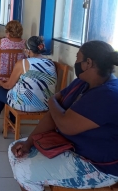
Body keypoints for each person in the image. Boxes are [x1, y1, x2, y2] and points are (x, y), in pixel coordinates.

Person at [9, 40, 118, 191]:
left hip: (97, 165)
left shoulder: (108, 94)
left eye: (77, 58)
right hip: (71, 146)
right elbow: (53, 115)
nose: (76, 62)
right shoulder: (82, 83)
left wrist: (52, 100)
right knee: (15, 150)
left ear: (88, 63)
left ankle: (33, 181)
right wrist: (28, 142)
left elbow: (64, 124)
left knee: (24, 171)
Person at [0, 36, 57, 136]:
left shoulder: (23, 63)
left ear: (27, 51)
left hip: (26, 104)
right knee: (16, 91)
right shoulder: (51, 63)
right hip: (46, 104)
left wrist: (0, 83)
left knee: (0, 91)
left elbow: (8, 86)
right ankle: (12, 124)